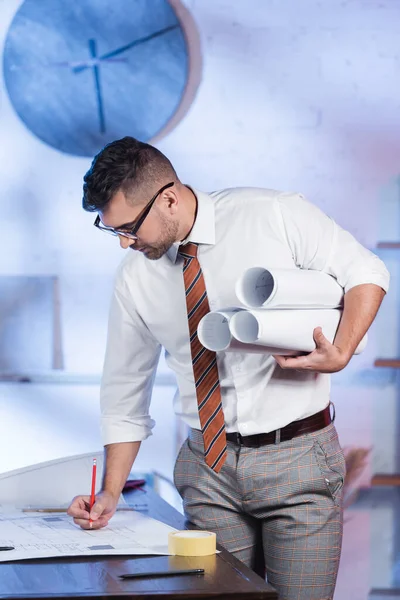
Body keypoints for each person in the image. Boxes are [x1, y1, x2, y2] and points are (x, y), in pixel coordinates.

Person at [67, 136, 389, 600]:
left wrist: (341, 350)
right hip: (207, 470)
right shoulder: (135, 277)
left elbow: (366, 271)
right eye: (111, 229)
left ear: (170, 198)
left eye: (130, 228)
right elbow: (124, 392)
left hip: (297, 459)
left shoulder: (272, 214)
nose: (123, 243)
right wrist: (111, 494)